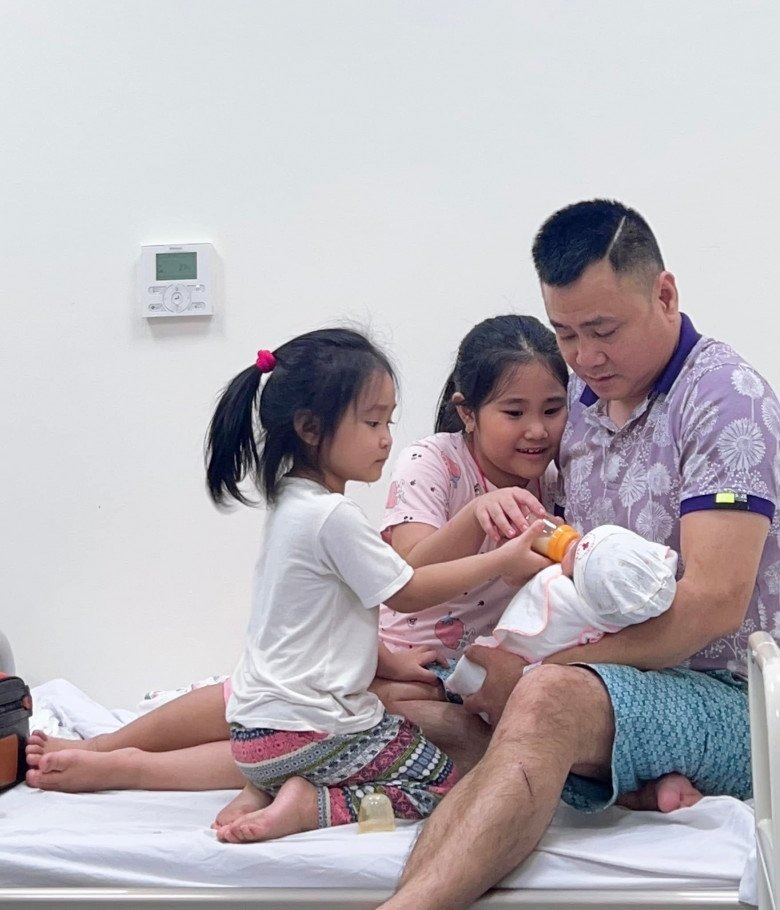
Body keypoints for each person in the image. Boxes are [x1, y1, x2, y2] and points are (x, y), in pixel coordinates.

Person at [378, 199, 780, 910]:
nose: (585, 358)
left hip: (732, 697)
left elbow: (714, 605)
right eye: (565, 334)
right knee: (429, 704)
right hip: (616, 673)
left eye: (603, 331)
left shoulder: (725, 402)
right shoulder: (584, 406)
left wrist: (543, 669)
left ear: (665, 295)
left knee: (545, 698)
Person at [201, 327, 555, 843]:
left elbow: (333, 619)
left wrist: (391, 663)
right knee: (444, 780)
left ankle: (265, 787)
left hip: (252, 735)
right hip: (308, 732)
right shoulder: (334, 516)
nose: (387, 438)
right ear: (310, 428)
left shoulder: (290, 505)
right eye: (372, 423)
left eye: (387, 421)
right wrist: (502, 558)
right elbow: (406, 591)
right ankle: (311, 805)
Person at [447, 524, 678, 702]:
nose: (573, 546)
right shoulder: (652, 581)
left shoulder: (564, 595)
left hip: (526, 658)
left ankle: (454, 689)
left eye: (575, 556)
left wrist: (528, 671)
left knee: (473, 671)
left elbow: (550, 589)